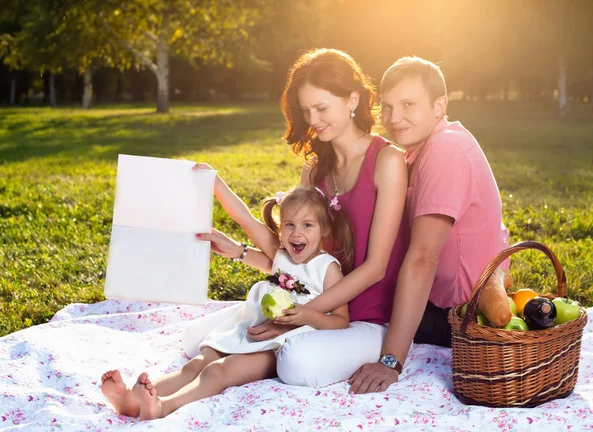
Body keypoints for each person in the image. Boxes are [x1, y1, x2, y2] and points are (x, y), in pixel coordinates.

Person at [198, 48, 410, 388]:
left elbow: (377, 268)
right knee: (198, 339)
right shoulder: (314, 169)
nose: (312, 120)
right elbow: (297, 255)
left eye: (322, 108)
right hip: (312, 309)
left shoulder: (388, 161)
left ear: (352, 99)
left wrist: (297, 317)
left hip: (368, 319)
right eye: (306, 110)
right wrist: (238, 249)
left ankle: (251, 359)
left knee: (296, 362)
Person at [100, 186, 354, 420]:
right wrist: (216, 183)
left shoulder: (327, 269)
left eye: (307, 225)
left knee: (218, 371)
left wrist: (305, 315)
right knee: (199, 363)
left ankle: (163, 406)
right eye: (289, 225)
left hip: (278, 347)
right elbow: (245, 219)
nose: (296, 233)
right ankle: (132, 403)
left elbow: (341, 321)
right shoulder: (282, 255)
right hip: (250, 329)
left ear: (325, 230)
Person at [347, 56, 510, 394]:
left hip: (461, 317)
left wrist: (390, 361)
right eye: (388, 108)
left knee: (348, 309)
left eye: (408, 105)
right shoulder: (420, 148)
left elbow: (422, 260)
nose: (394, 119)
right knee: (334, 288)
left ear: (440, 106)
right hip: (443, 303)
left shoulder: (445, 150)